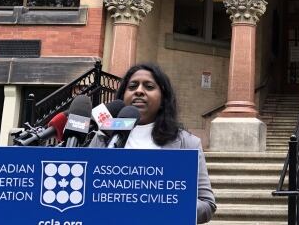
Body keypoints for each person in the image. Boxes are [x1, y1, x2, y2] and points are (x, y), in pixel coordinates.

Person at [89, 63, 216, 223]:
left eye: (149, 86)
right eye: (132, 86)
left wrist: (164, 203)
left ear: (163, 98)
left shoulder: (188, 143)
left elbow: (207, 205)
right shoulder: (102, 138)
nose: (139, 91)